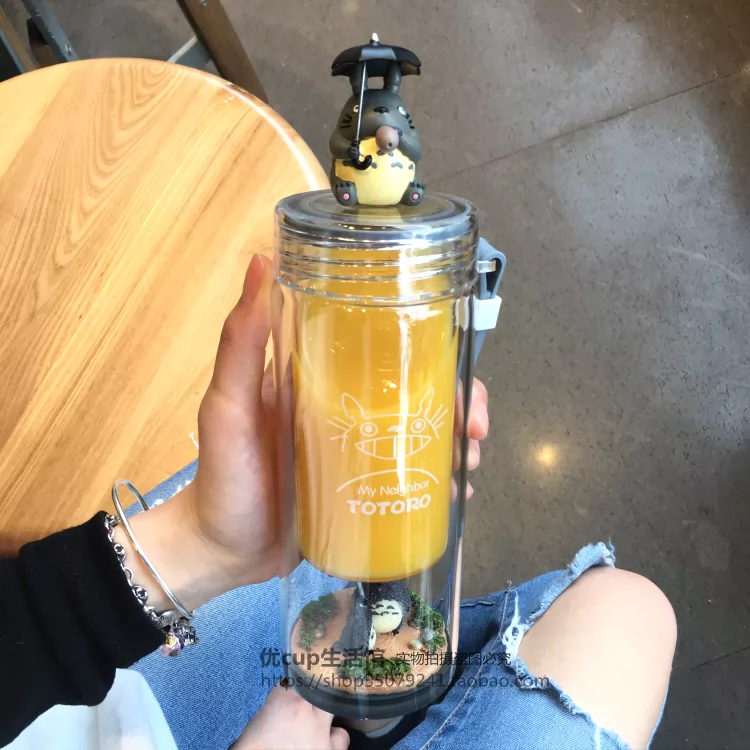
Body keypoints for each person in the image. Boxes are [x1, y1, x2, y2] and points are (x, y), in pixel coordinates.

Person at [0, 255, 676, 750]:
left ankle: (377, 699)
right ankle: (385, 704)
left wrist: (197, 546)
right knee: (624, 616)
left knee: (333, 494)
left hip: (79, 708)